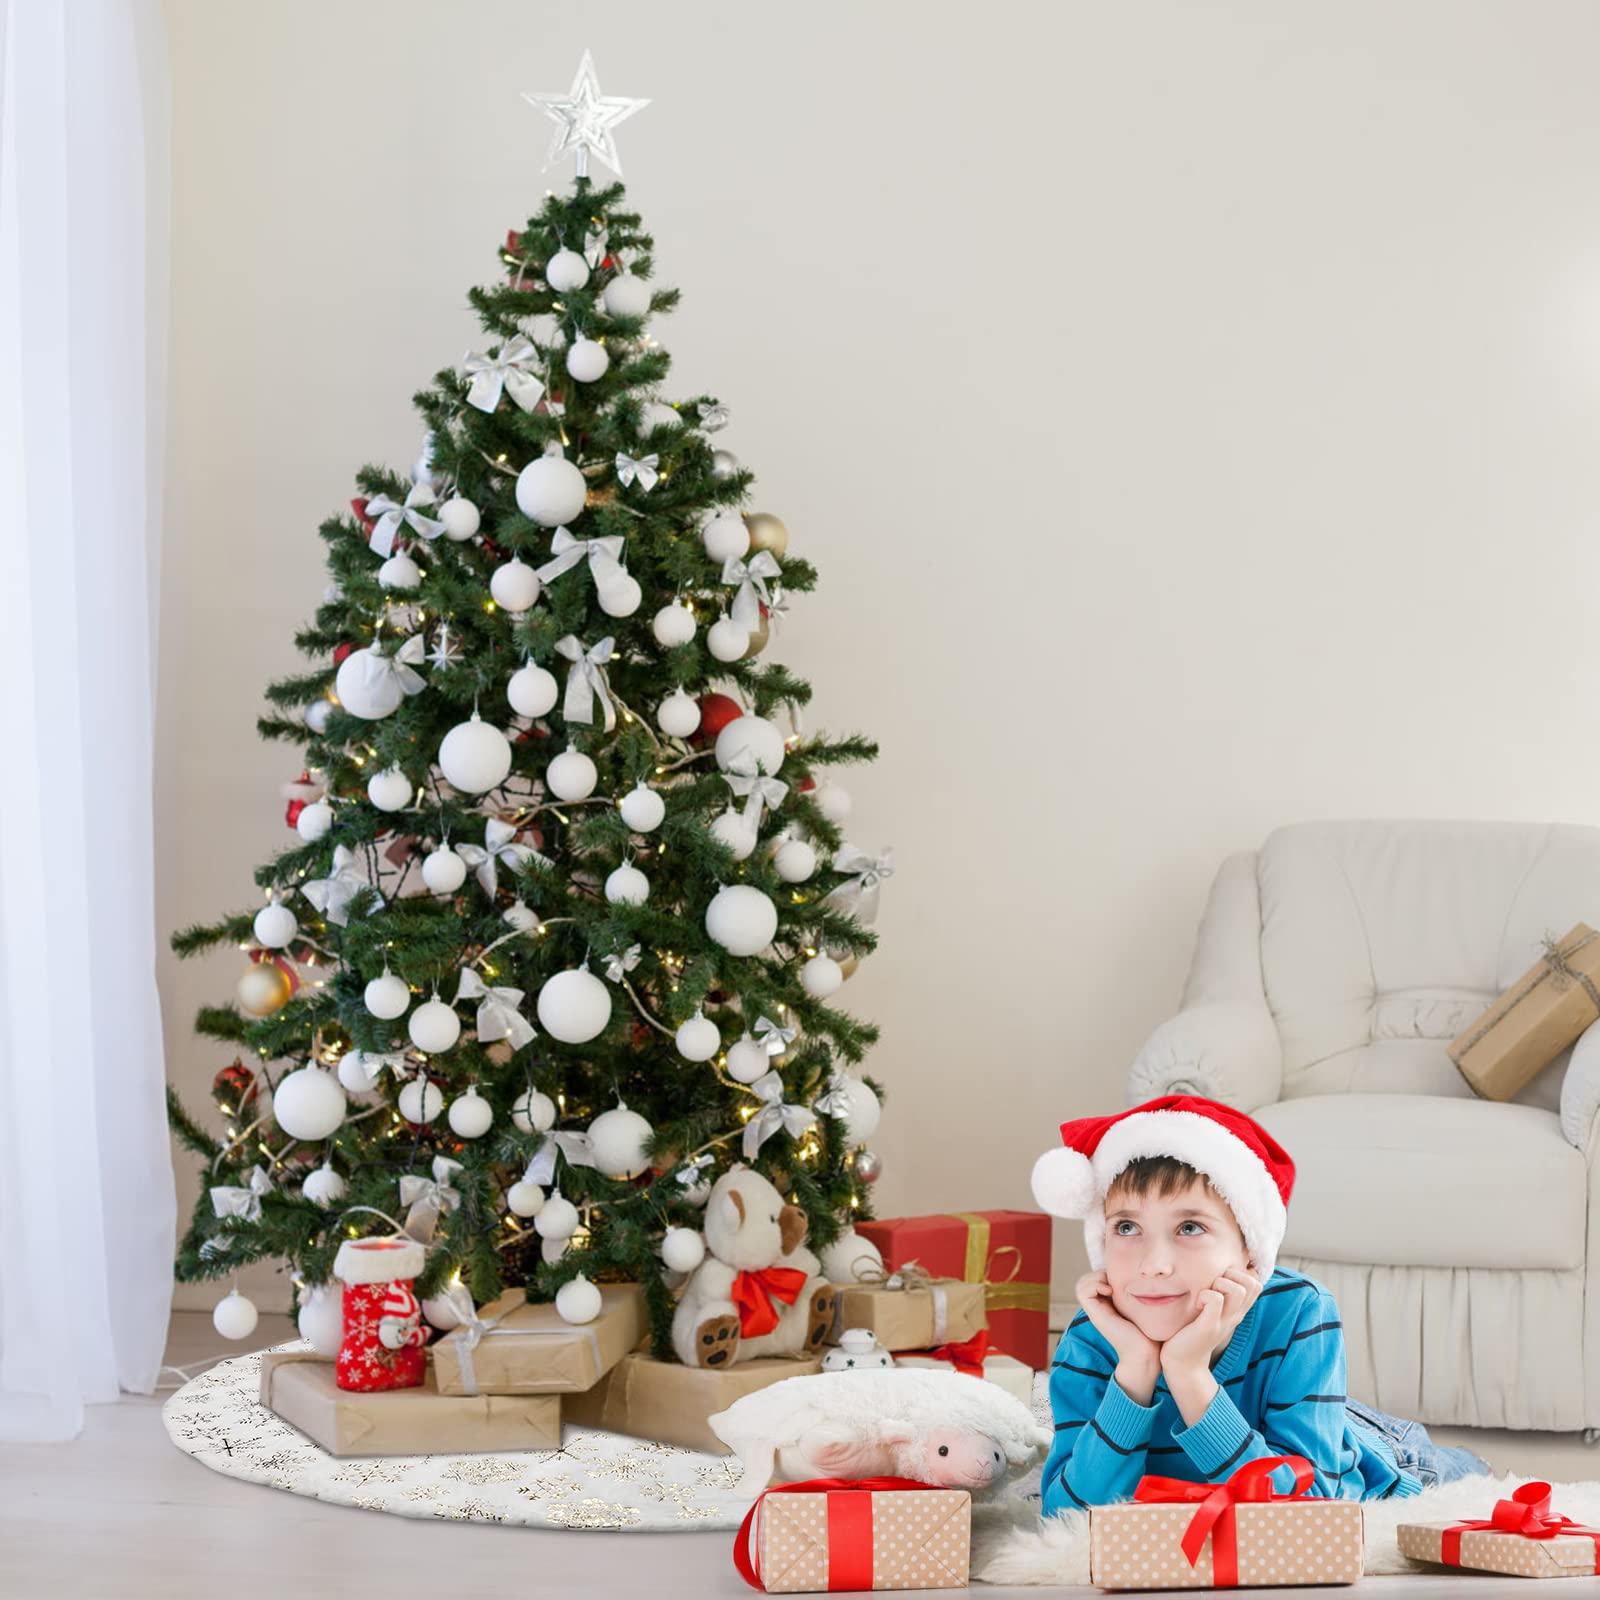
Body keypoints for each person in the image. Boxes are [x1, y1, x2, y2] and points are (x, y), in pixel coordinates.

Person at [1029, 1094, 1494, 1517]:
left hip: (1378, 1456)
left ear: (1250, 1252)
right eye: (1127, 1228)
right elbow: (1067, 1516)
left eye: (1189, 1228)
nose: (1153, 1265)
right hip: (1260, 1445)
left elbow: (1308, 1511)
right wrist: (1136, 1370)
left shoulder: (1297, 1312)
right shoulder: (1095, 1336)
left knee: (1471, 1480)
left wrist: (1189, 1375)